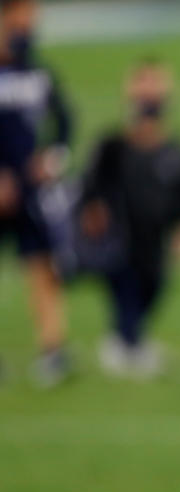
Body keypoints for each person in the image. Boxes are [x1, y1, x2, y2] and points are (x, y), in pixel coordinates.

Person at [79, 57, 180, 378]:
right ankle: (126, 343)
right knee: (125, 284)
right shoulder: (113, 145)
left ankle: (128, 340)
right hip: (121, 235)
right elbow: (90, 184)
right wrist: (93, 211)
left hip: (155, 237)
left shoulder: (176, 151)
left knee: (154, 284)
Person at [0, 0, 73, 386]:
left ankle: (53, 350)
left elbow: (64, 120)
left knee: (43, 266)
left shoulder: (37, 71)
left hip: (30, 191)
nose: (27, 28)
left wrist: (52, 158)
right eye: (21, 21)